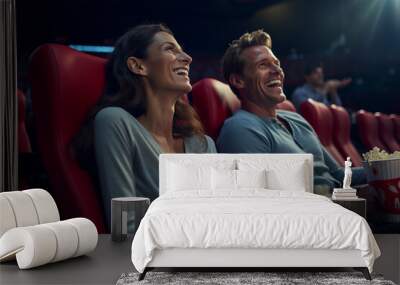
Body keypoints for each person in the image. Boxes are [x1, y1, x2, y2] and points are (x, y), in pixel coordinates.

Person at [72, 24, 216, 228]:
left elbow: (221, 217)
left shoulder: (203, 145)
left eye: (181, 50)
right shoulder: (115, 122)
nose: (187, 58)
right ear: (138, 66)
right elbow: (125, 227)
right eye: (169, 49)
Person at [217, 29, 365, 192]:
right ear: (238, 80)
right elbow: (261, 202)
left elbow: (336, 175)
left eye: (277, 64)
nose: (277, 71)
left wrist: (378, 171)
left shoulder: (296, 119)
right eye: (263, 65)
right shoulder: (240, 129)